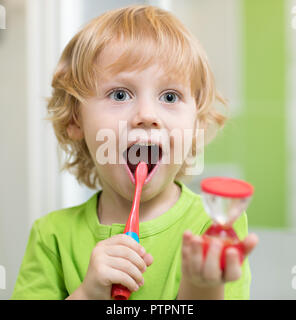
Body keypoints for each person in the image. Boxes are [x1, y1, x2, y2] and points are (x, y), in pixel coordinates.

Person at [11, 5, 258, 300]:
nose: (146, 114)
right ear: (75, 120)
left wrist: (202, 288)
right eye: (120, 94)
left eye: (169, 96)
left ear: (196, 125)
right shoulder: (51, 236)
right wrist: (87, 295)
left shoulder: (214, 228)